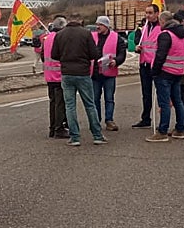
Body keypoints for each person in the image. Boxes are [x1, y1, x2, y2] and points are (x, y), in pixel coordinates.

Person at [51, 16, 107, 147]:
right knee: (89, 104)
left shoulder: (60, 35)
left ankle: (75, 137)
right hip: (83, 73)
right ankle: (97, 136)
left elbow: (54, 55)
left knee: (70, 106)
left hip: (67, 73)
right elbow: (94, 54)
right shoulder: (86, 33)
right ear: (80, 22)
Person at [146, 11, 184, 141]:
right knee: (178, 101)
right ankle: (181, 129)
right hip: (178, 71)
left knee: (164, 103)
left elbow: (160, 55)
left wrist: (154, 71)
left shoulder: (165, 35)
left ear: (163, 21)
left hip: (165, 72)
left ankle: (162, 131)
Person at [91, 15, 126, 131]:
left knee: (109, 98)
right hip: (95, 73)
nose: (97, 27)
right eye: (97, 24)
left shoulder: (116, 38)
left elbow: (122, 53)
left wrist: (116, 61)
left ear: (106, 26)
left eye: (100, 24)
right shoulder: (92, 37)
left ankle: (109, 120)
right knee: (95, 98)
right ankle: (96, 121)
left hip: (109, 73)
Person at [131, 3, 162, 129]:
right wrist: (138, 48)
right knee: (146, 93)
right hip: (144, 64)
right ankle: (145, 118)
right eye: (146, 13)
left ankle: (162, 121)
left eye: (150, 13)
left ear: (156, 14)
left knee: (160, 93)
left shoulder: (161, 29)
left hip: (156, 65)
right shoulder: (143, 29)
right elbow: (141, 43)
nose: (148, 15)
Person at [38, 17, 69, 139]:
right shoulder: (61, 38)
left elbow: (42, 55)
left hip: (49, 75)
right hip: (59, 75)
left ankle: (52, 128)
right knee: (60, 103)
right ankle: (59, 128)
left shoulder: (47, 38)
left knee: (53, 102)